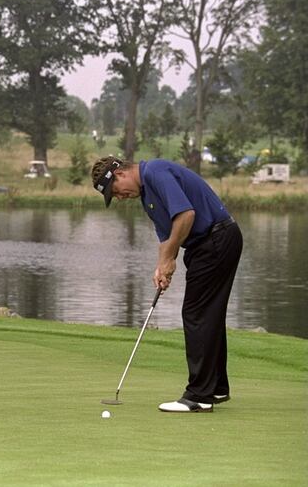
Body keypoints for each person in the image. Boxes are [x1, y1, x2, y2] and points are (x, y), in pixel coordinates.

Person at [91, 156, 243, 413]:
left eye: (114, 191)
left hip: (216, 240)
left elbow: (185, 215)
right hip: (207, 246)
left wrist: (169, 258)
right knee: (209, 315)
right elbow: (167, 237)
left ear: (119, 174)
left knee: (196, 314)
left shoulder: (155, 172)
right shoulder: (147, 196)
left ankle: (199, 395)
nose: (119, 197)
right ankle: (216, 386)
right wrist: (163, 266)